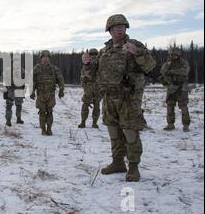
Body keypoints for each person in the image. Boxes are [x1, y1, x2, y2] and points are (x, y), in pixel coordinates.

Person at [95, 14, 156, 182]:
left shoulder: (134, 45)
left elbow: (150, 65)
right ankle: (118, 163)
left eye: (122, 26)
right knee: (113, 131)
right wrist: (87, 64)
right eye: (116, 27)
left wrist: (137, 53)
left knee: (130, 132)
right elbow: (94, 74)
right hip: (109, 97)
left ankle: (134, 167)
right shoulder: (104, 51)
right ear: (109, 30)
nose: (120, 29)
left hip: (129, 97)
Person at [30, 50, 65, 136]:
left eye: (47, 57)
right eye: (44, 57)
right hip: (41, 94)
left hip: (51, 94)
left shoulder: (54, 69)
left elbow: (60, 79)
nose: (45, 59)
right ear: (41, 58)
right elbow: (32, 81)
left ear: (49, 58)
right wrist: (32, 92)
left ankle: (49, 128)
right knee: (42, 112)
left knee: (49, 112)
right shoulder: (36, 68)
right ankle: (43, 129)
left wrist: (61, 90)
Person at [160, 47, 191, 132]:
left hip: (182, 87)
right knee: (170, 106)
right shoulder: (167, 63)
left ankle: (186, 125)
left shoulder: (184, 62)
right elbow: (163, 71)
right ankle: (170, 125)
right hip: (171, 87)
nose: (173, 56)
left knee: (184, 106)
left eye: (174, 54)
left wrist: (172, 71)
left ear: (178, 54)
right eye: (171, 54)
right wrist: (168, 69)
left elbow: (184, 71)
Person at [78, 48, 101, 129]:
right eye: (92, 55)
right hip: (90, 89)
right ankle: (85, 122)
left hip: (96, 88)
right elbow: (82, 77)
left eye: (95, 54)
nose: (94, 56)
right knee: (89, 106)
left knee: (95, 106)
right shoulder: (87, 65)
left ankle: (92, 123)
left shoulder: (98, 63)